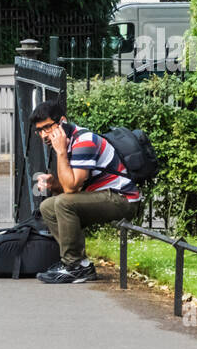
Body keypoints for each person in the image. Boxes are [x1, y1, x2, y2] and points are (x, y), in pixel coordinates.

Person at [28, 98, 141, 284]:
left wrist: (61, 153)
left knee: (63, 203)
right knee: (48, 206)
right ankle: (82, 264)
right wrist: (53, 184)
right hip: (101, 196)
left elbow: (71, 188)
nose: (44, 135)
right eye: (39, 130)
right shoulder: (68, 141)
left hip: (123, 199)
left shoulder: (83, 141)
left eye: (47, 127)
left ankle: (72, 266)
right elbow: (69, 188)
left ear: (62, 121)